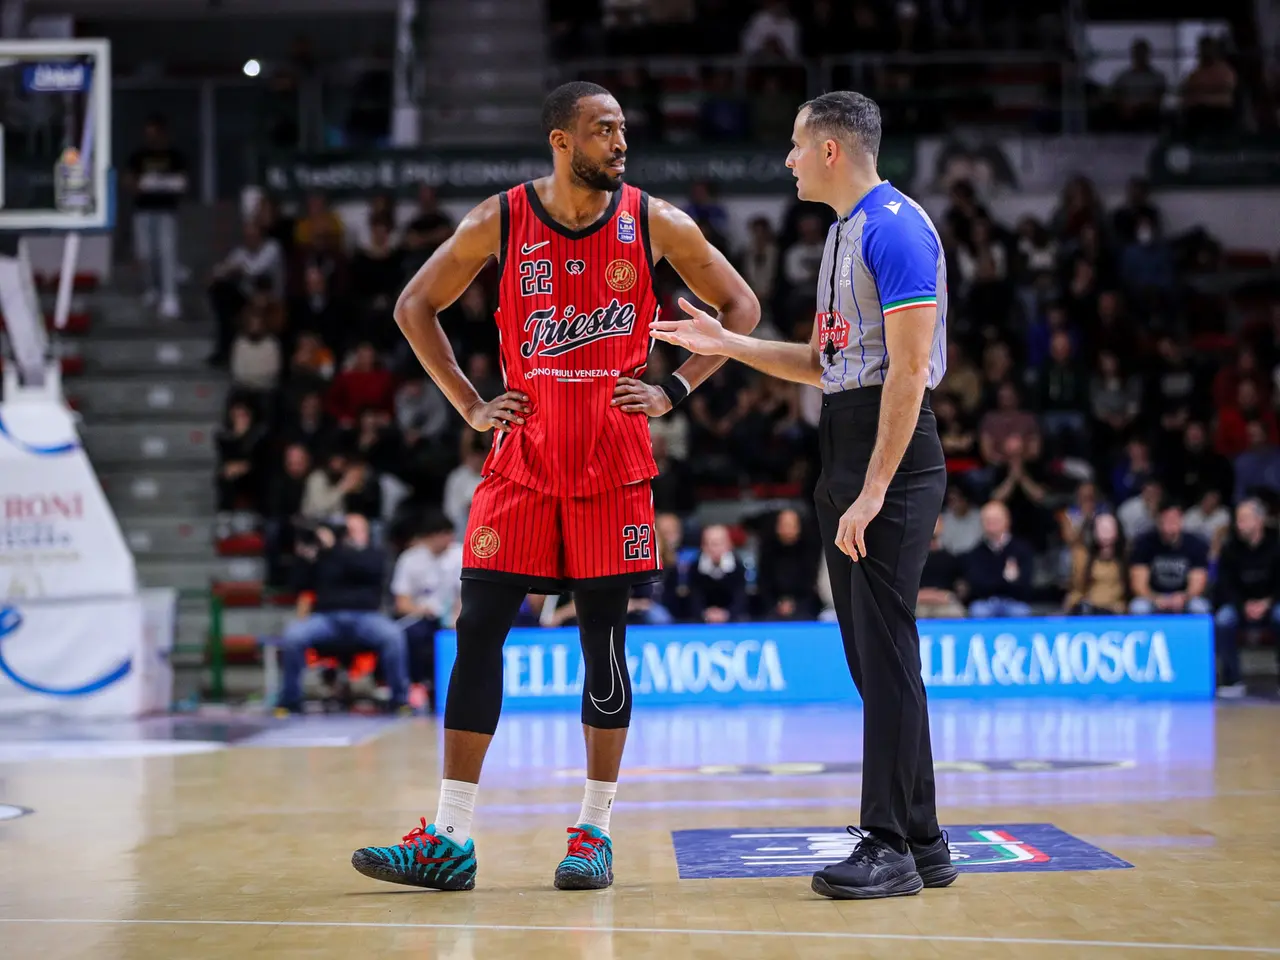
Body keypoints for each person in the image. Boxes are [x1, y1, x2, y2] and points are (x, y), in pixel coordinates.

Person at [350, 81, 760, 893]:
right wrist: (468, 401)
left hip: (614, 470)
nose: (620, 143)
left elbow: (740, 307)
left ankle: (594, 831)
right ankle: (451, 836)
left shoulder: (656, 221)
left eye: (623, 131)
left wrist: (676, 389)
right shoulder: (501, 219)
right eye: (603, 130)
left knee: (602, 645)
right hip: (522, 467)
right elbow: (413, 306)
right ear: (560, 141)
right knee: (477, 636)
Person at [652, 90, 954, 899]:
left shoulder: (894, 227)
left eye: (794, 146)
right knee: (876, 657)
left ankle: (887, 844)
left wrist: (873, 489)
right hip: (847, 443)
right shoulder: (842, 233)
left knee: (885, 655)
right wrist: (730, 345)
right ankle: (924, 839)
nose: (785, 160)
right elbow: (830, 367)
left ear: (829, 150)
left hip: (890, 453)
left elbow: (908, 372)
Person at [276, 513, 409, 714]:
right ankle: (290, 701)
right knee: (293, 636)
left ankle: (400, 700)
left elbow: (365, 569)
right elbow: (297, 584)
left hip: (366, 618)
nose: (348, 534)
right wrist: (305, 557)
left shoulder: (374, 554)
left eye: (354, 530)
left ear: (366, 533)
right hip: (326, 619)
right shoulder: (324, 555)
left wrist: (334, 548)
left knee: (393, 636)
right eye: (346, 529)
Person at [391, 511, 464, 712]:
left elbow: (467, 594)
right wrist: (420, 609)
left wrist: (457, 615)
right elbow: (401, 601)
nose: (447, 539)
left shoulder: (461, 554)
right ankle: (415, 686)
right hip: (422, 618)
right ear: (429, 536)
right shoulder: (410, 559)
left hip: (455, 618)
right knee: (400, 637)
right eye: (442, 534)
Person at [1213, 500, 1280, 696]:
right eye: (1238, 520)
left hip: (1272, 603)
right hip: (1240, 605)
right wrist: (1244, 605)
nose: (1239, 524)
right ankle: (1232, 679)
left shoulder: (1276, 545)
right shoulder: (1230, 547)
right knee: (1223, 620)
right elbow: (1224, 585)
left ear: (1259, 521)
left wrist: (1266, 603)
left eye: (1245, 519)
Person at [128, 114, 188, 319]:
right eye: (148, 134)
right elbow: (129, 183)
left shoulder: (174, 156)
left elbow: (183, 184)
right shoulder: (139, 156)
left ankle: (170, 296)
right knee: (145, 254)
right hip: (143, 212)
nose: (151, 138)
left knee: (166, 253)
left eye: (155, 134)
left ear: (163, 133)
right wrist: (144, 184)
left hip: (166, 212)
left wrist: (162, 183)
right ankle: (152, 288)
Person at [1128, 502, 1212, 616]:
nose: (1170, 526)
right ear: (1158, 521)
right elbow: (1138, 584)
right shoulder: (1144, 544)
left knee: (1199, 607)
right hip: (1153, 597)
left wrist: (1184, 597)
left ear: (1181, 521)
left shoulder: (1195, 545)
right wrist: (1155, 598)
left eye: (1174, 520)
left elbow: (1198, 582)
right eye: (1166, 520)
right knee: (1138, 607)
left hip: (1184, 598)